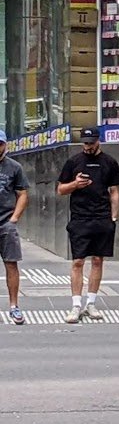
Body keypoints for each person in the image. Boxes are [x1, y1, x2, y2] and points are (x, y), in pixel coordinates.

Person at [56, 127, 119, 324]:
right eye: (85, 143)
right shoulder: (73, 162)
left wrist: (114, 217)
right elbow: (60, 189)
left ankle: (91, 303)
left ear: (98, 141)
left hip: (102, 217)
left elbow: (114, 190)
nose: (88, 146)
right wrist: (75, 184)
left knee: (98, 260)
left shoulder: (110, 162)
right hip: (80, 218)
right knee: (77, 261)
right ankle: (76, 305)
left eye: (91, 143)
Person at [0, 130, 29, 326]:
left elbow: (23, 194)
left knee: (11, 264)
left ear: (5, 145)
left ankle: (14, 306)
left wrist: (14, 218)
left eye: (0, 144)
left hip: (6, 223)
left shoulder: (14, 167)